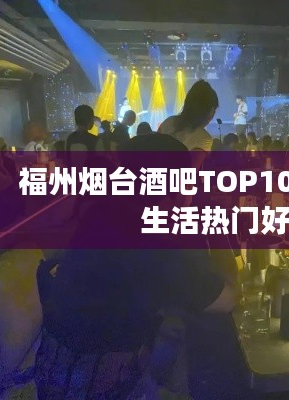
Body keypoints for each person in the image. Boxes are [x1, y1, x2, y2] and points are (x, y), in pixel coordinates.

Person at [34, 134, 236, 399]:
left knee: (179, 325)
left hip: (56, 368)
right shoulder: (150, 240)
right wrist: (219, 229)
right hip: (98, 385)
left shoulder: (102, 212)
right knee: (205, 342)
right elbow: (226, 299)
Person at [158, 80, 218, 153]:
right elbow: (194, 161)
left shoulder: (168, 122)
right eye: (213, 110)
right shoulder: (204, 138)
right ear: (209, 110)